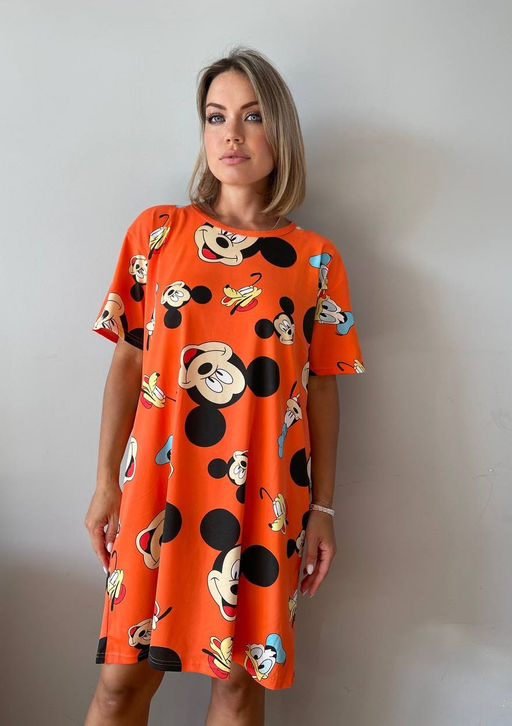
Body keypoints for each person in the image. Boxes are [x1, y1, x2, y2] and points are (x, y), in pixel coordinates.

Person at [84, 45, 366, 726]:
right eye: (216, 117)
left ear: (280, 132)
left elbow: (322, 388)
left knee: (238, 687)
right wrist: (104, 483)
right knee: (121, 683)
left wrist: (323, 508)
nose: (231, 134)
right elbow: (128, 363)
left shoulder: (315, 260)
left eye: (252, 116)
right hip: (157, 488)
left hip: (263, 497)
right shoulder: (157, 234)